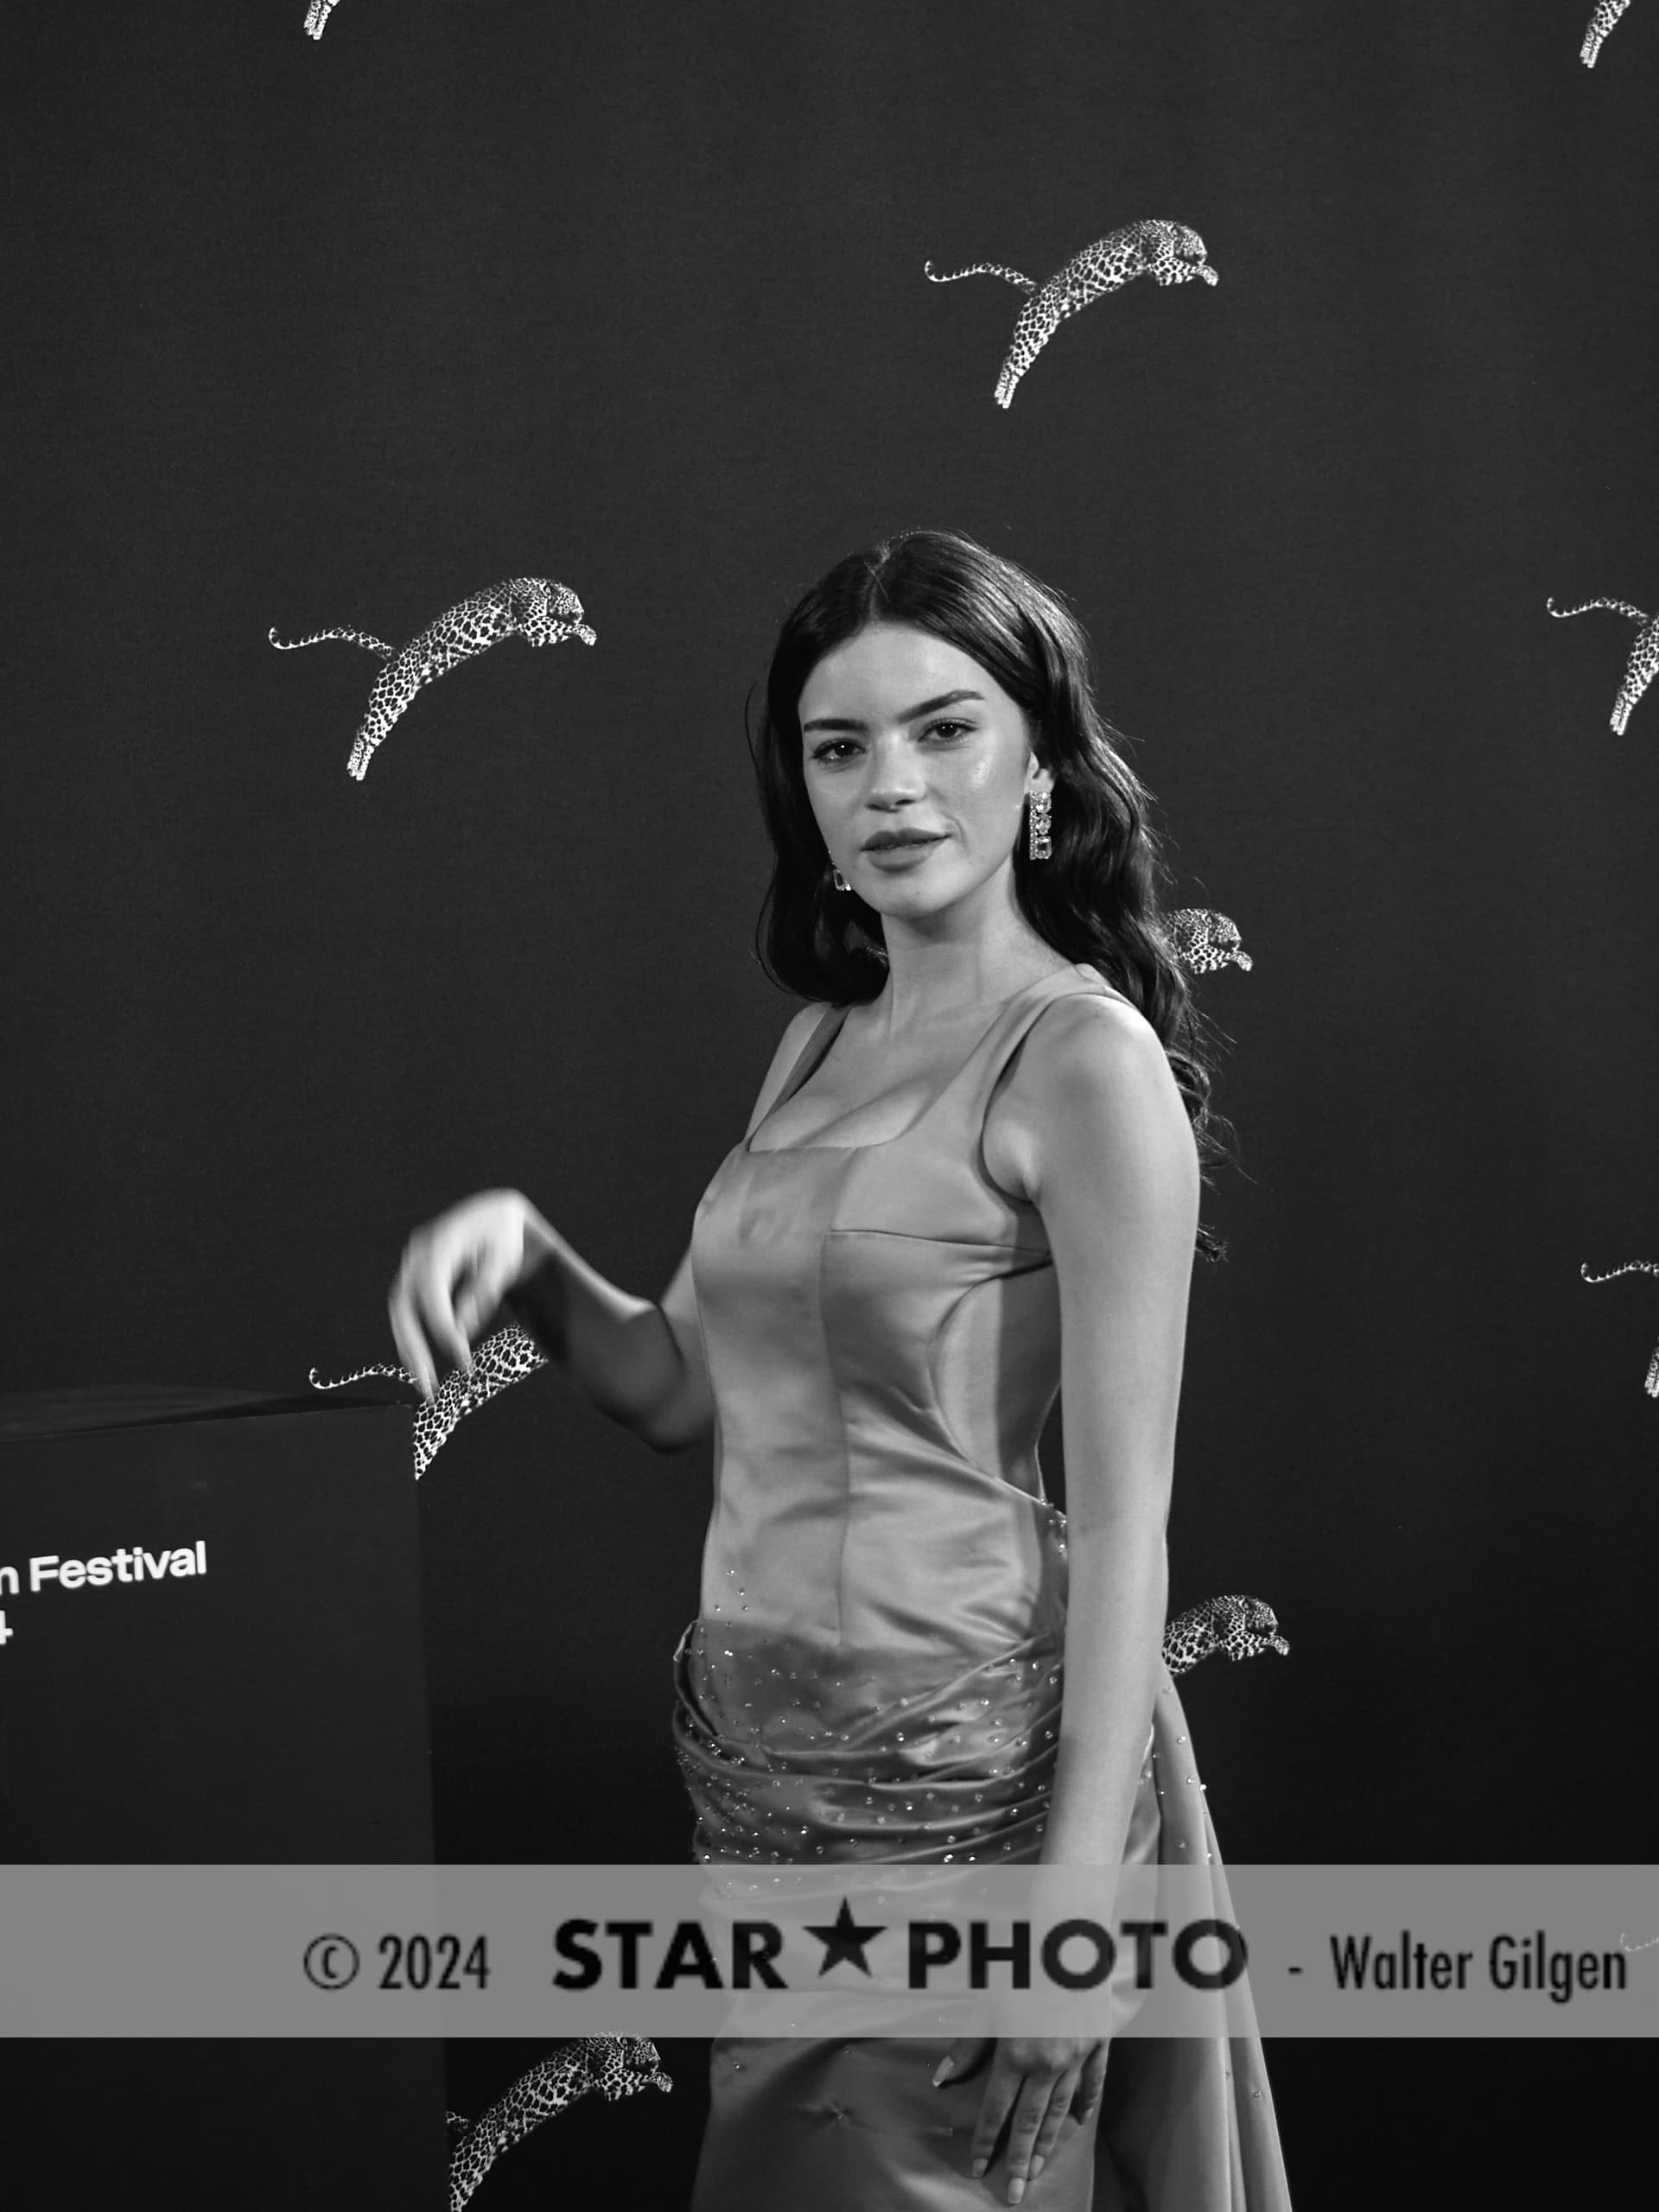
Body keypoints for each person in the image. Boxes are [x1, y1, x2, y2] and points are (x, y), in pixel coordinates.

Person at [389, 531, 1293, 2210]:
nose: (892, 784)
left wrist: (1076, 1921)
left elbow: (1131, 1521)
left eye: (945, 729)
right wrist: (526, 1254)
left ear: (1039, 758)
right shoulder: (821, 1035)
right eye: (839, 744)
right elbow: (676, 1388)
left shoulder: (1082, 1061)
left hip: (967, 1795)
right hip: (762, 1800)